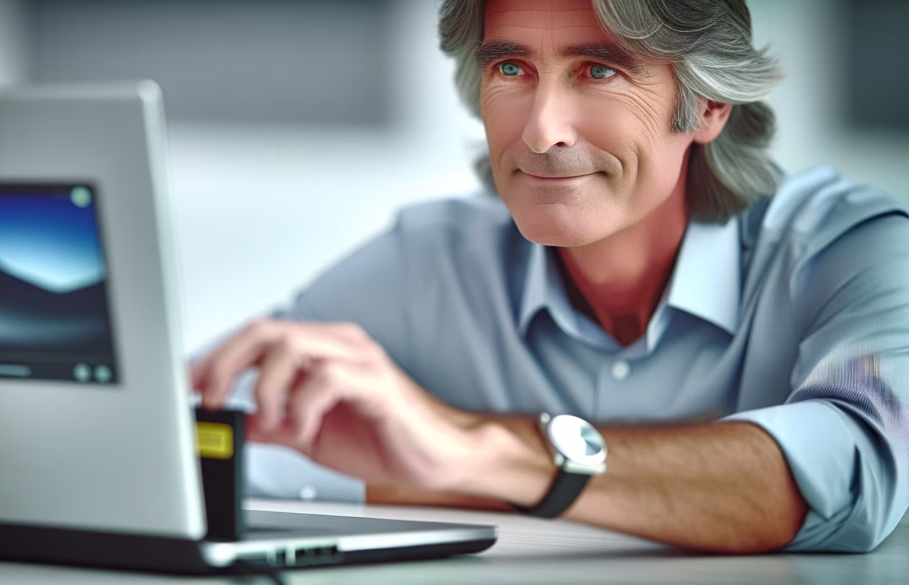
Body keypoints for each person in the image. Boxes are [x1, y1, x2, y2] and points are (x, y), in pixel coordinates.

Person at [190, 0, 909, 553]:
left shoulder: (851, 253)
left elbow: (849, 474)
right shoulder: (431, 259)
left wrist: (476, 451)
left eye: (598, 70)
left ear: (710, 103)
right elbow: (183, 428)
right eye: (512, 69)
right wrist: (431, 466)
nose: (540, 130)